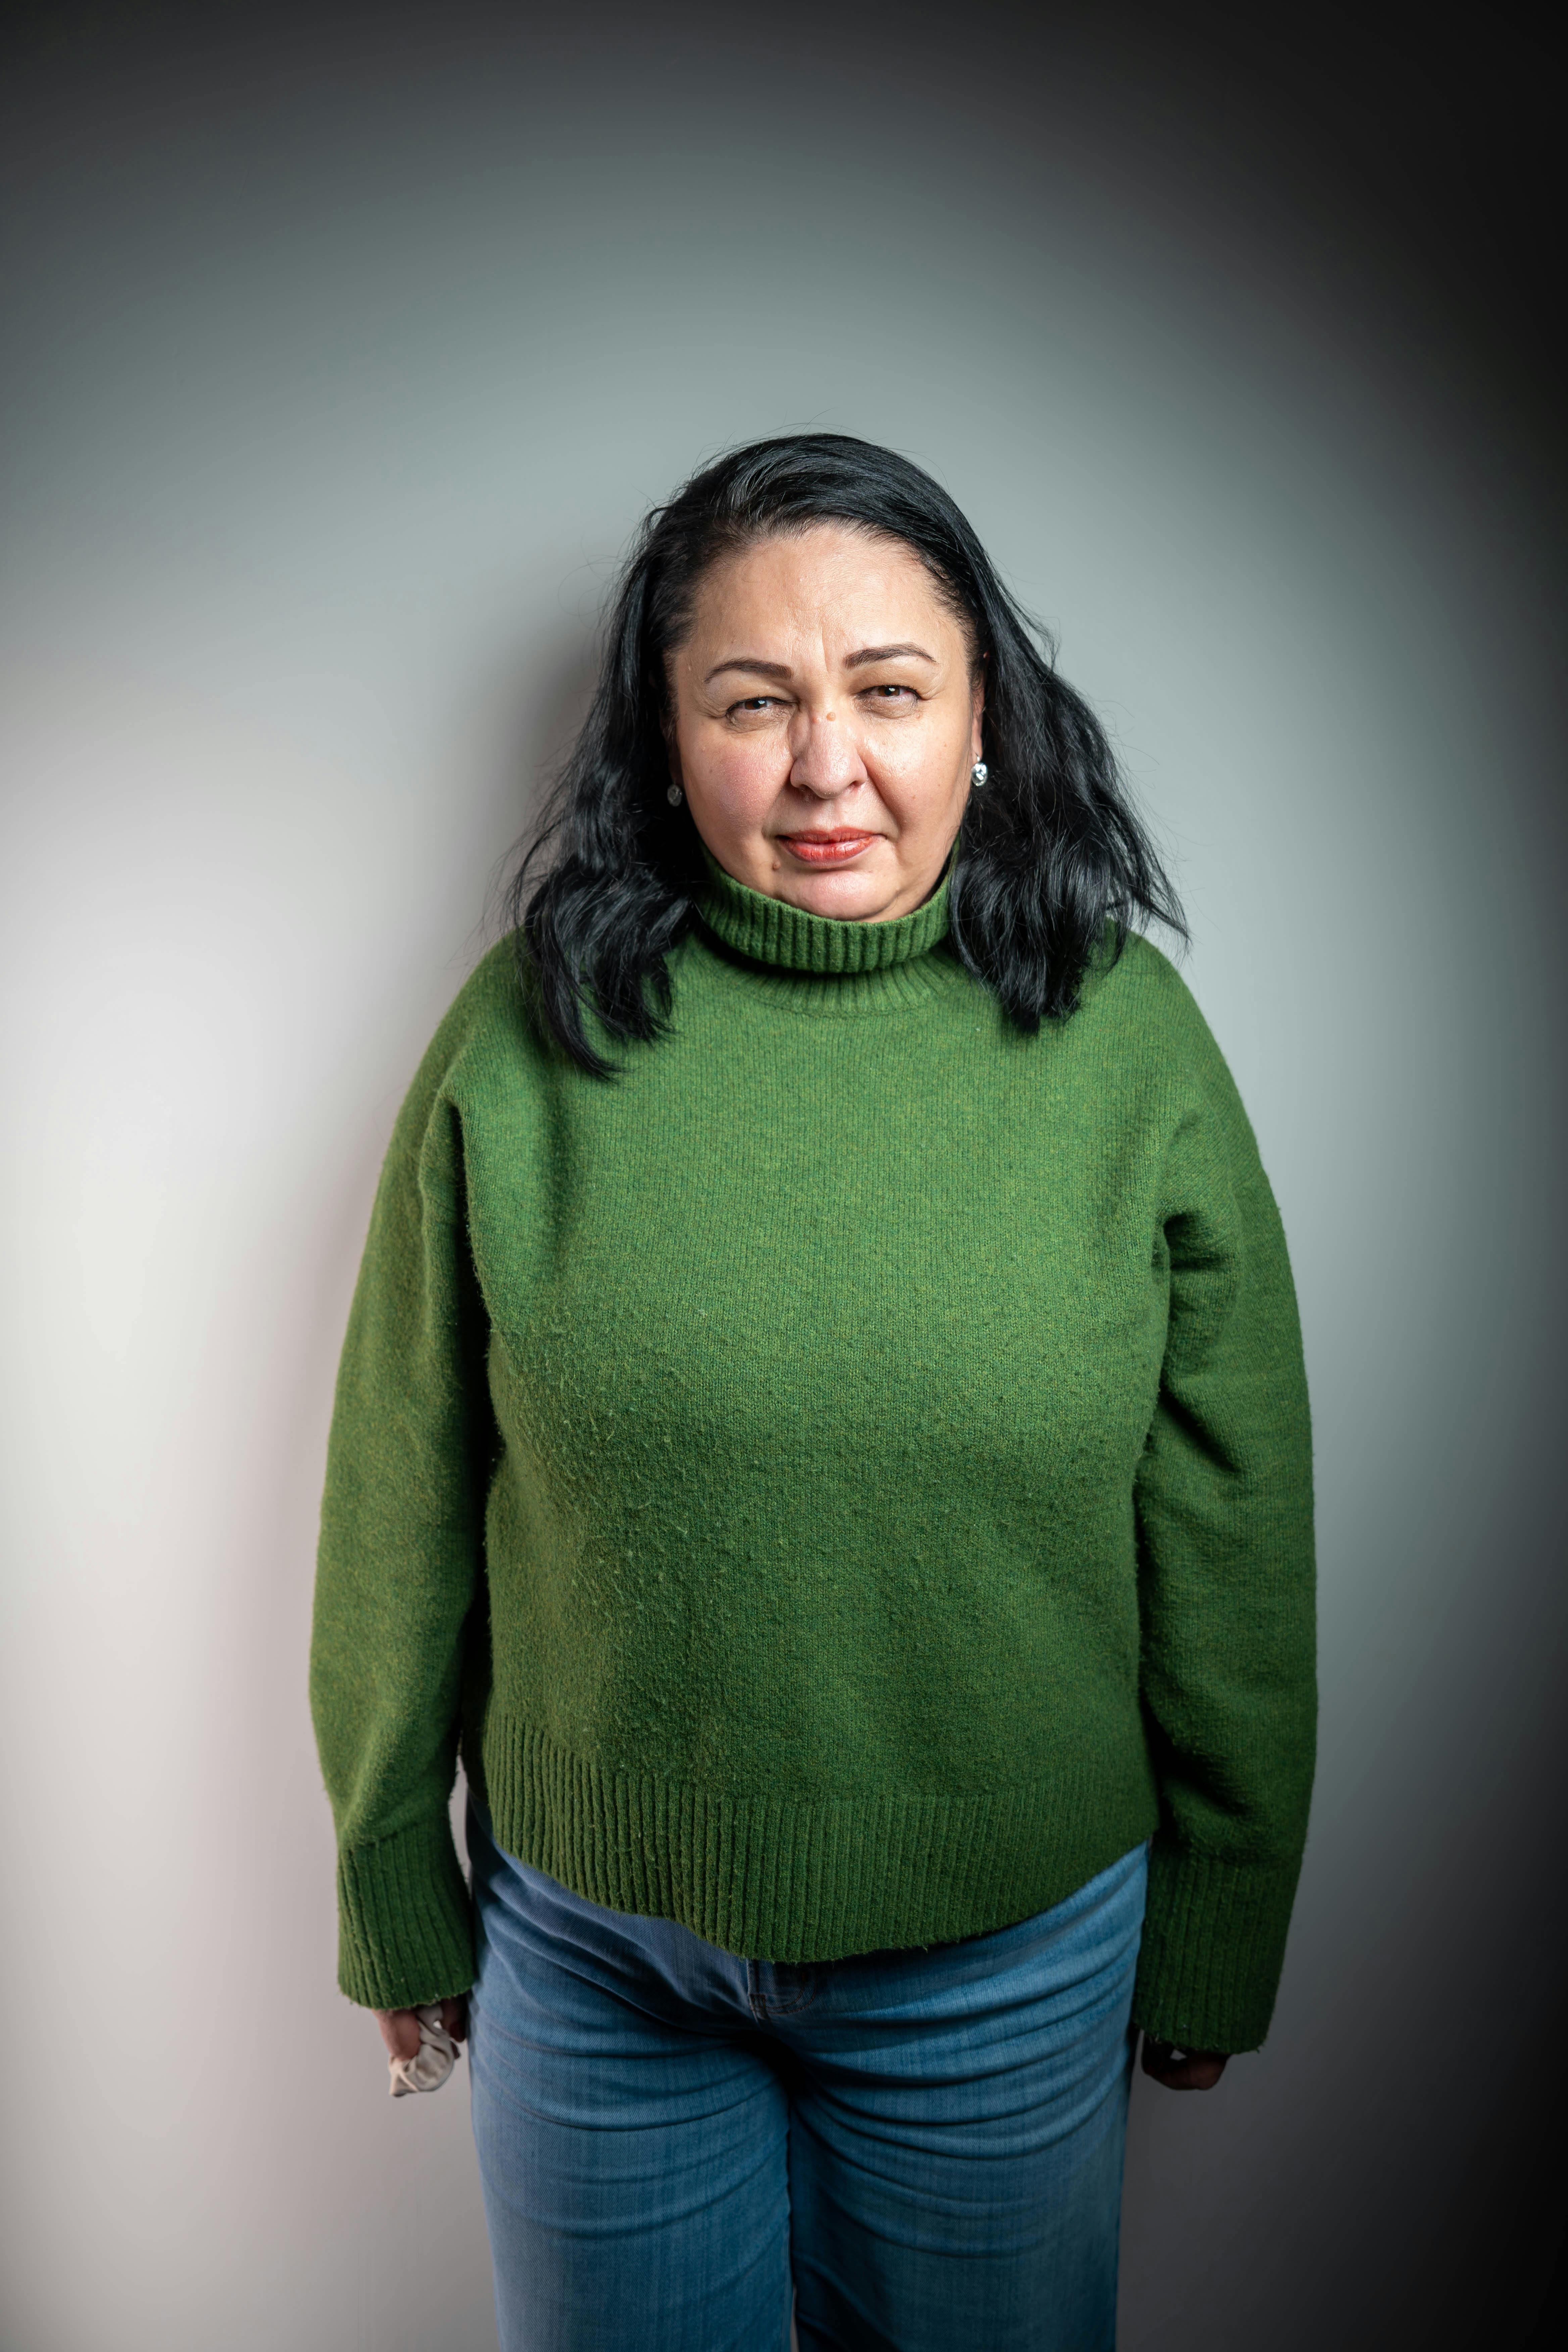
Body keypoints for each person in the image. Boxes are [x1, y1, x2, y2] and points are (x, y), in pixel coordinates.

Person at [308, 432, 1316, 2351]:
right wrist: (388, 1871)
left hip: (1008, 1962)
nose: (826, 764)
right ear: (662, 737)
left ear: (986, 718)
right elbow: (402, 1479)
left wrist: (1224, 1910)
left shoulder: (1125, 1043)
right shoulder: (526, 1037)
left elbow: (1235, 1507)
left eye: (889, 691)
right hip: (591, 1955)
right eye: (751, 700)